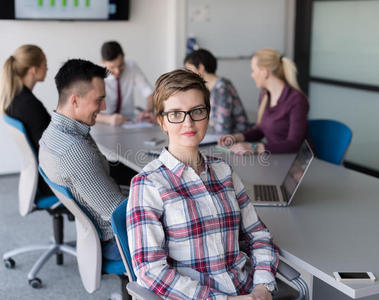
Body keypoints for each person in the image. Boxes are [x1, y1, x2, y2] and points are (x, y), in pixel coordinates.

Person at [127, 69, 279, 299]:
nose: (188, 122)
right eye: (176, 114)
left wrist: (263, 287)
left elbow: (258, 235)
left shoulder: (224, 172)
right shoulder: (148, 184)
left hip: (247, 292)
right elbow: (150, 271)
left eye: (197, 111)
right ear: (161, 121)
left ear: (208, 114)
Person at [39, 59, 128, 261]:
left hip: (96, 229)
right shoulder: (75, 150)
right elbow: (118, 213)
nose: (104, 107)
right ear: (74, 100)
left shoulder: (53, 134)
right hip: (116, 239)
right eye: (99, 100)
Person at [218, 48, 309, 154]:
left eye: (253, 70)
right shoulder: (265, 95)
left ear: (265, 72)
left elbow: (293, 144)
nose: (252, 75)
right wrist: (237, 137)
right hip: (276, 158)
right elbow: (262, 130)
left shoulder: (297, 99)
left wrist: (255, 148)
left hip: (296, 163)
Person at [0, 44, 53, 197]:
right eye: (45, 65)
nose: (47, 69)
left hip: (41, 177)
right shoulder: (29, 105)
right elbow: (53, 146)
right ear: (33, 70)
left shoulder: (14, 101)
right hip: (52, 181)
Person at [184, 49, 250, 134]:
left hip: (235, 137)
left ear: (200, 68)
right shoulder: (206, 87)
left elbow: (223, 127)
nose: (188, 74)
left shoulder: (222, 87)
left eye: (189, 69)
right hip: (220, 135)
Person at [96, 41, 154, 126]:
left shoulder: (132, 67)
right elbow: (86, 111)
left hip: (128, 121)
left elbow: (149, 92)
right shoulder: (95, 75)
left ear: (123, 56)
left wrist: (148, 111)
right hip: (103, 123)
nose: (117, 71)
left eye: (120, 65)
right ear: (103, 62)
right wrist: (108, 119)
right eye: (112, 67)